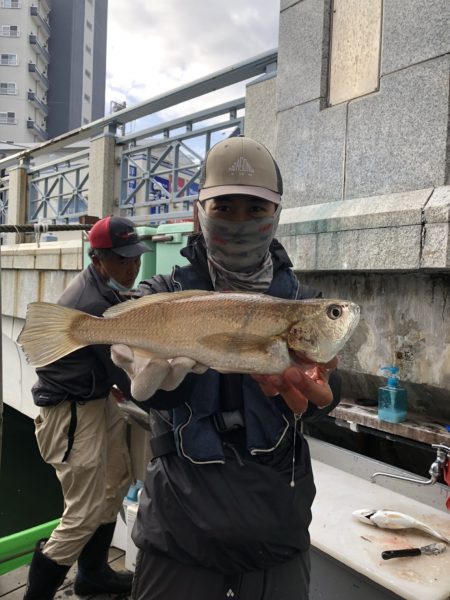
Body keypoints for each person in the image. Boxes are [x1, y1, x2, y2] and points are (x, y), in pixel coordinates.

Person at [112, 136, 341, 600]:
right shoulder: (161, 293)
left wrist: (320, 403)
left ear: (276, 215)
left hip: (276, 533)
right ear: (198, 211)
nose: (239, 222)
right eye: (225, 207)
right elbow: (137, 377)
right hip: (178, 535)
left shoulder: (305, 307)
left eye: (255, 209)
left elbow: (323, 395)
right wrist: (142, 373)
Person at [24, 216, 150, 600]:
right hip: (71, 412)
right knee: (81, 514)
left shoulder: (106, 291)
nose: (133, 267)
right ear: (98, 260)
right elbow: (125, 375)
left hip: (95, 401)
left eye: (135, 258)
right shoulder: (92, 303)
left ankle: (92, 574)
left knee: (114, 484)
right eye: (123, 260)